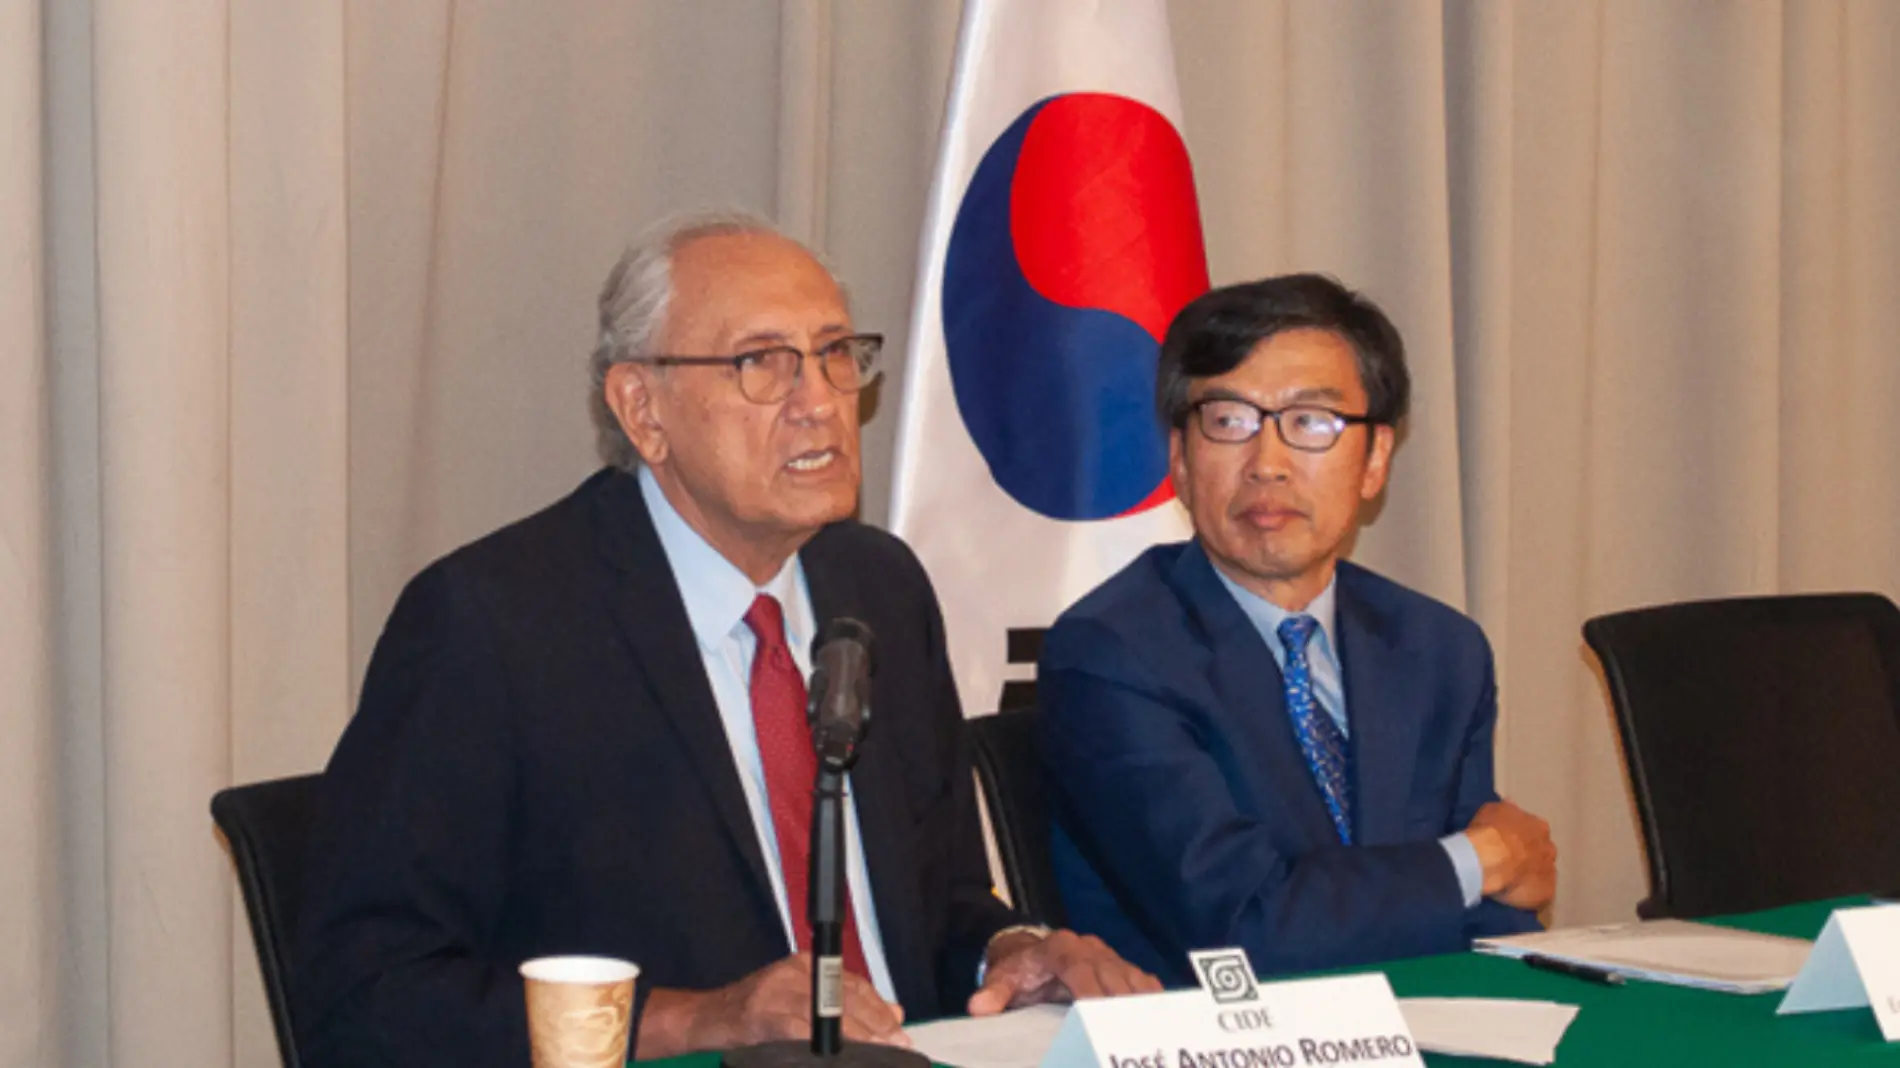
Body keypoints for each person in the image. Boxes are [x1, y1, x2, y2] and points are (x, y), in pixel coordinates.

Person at [294, 212, 1157, 1068]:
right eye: (762, 363)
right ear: (642, 408)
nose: (819, 402)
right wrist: (696, 1021)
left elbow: (938, 900)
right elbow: (366, 991)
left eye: (835, 354)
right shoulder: (494, 625)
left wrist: (1010, 952)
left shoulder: (881, 587)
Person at [1037, 273, 1557, 985]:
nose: (1267, 465)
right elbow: (1246, 930)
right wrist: (1478, 860)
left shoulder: (1439, 649)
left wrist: (1480, 883)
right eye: (1229, 421)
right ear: (1181, 459)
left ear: (1375, 460)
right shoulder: (1114, 654)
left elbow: (1493, 918)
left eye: (1312, 422)